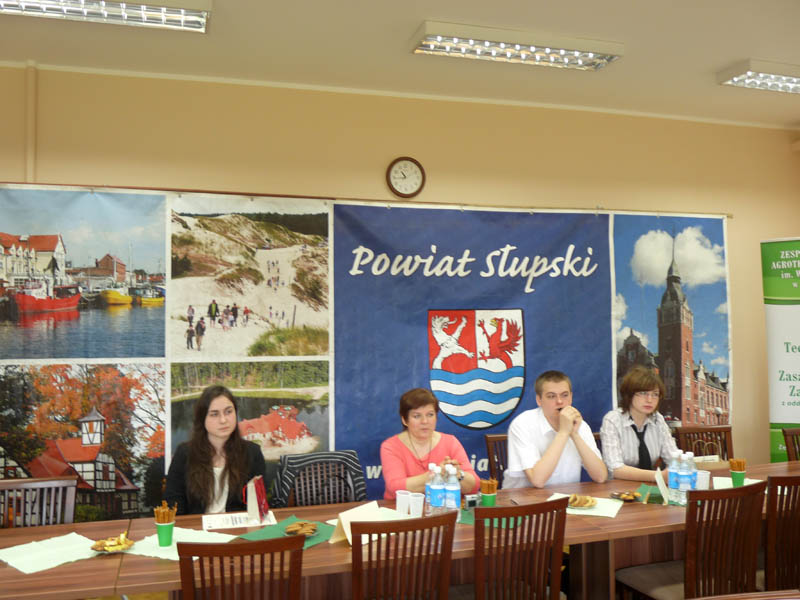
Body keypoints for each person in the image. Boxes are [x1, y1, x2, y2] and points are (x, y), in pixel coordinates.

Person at [164, 385, 267, 515]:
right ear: (202, 418)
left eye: (228, 412)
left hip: (238, 525)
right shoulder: (185, 453)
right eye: (214, 414)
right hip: (197, 525)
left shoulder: (252, 452)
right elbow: (173, 503)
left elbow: (258, 504)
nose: (223, 420)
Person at [504, 370, 607, 488]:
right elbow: (538, 481)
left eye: (565, 395)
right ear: (539, 400)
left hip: (566, 496)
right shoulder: (523, 423)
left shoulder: (580, 425)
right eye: (551, 396)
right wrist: (563, 432)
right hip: (523, 497)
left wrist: (574, 434)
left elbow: (601, 476)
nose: (559, 401)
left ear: (571, 397)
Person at [380, 388, 479, 500]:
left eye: (430, 415)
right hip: (402, 508)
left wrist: (458, 474)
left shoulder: (450, 442)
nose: (425, 421)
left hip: (443, 508)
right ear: (404, 420)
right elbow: (395, 488)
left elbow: (474, 486)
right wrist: (437, 474)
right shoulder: (391, 446)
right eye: (417, 416)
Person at [599, 366, 679, 482]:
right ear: (629, 394)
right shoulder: (613, 420)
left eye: (655, 394)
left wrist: (678, 466)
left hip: (650, 486)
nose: (650, 400)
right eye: (643, 393)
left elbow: (674, 458)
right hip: (619, 487)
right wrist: (659, 476)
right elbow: (615, 469)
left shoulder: (658, 419)